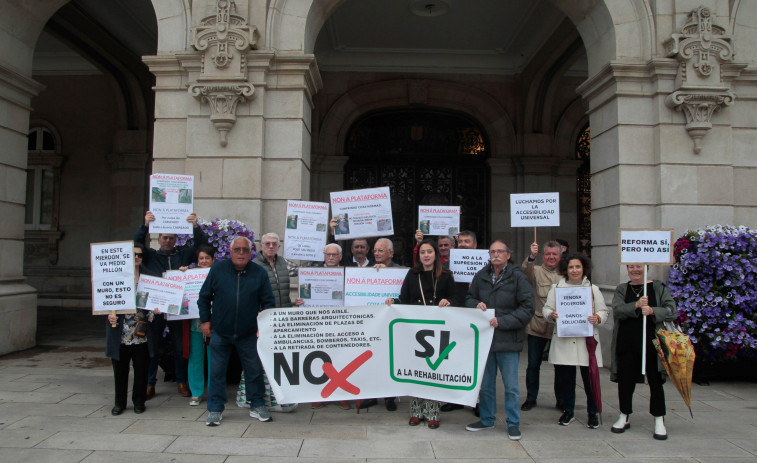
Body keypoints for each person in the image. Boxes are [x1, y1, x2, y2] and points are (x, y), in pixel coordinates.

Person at [198, 236, 276, 426]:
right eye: (237, 249)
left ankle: (257, 405)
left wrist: (263, 327)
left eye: (245, 250)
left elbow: (268, 302)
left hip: (249, 333)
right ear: (230, 251)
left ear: (251, 253)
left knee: (254, 371)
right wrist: (205, 320)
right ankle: (215, 410)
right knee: (216, 372)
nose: (241, 253)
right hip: (221, 332)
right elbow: (204, 296)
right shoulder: (218, 269)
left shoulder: (259, 273)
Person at [134, 210, 208, 399]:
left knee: (179, 347)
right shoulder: (150, 256)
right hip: (155, 310)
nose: (167, 241)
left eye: (171, 238)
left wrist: (195, 226)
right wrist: (145, 225)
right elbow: (137, 245)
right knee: (153, 347)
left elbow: (202, 246)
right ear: (158, 240)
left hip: (178, 310)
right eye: (164, 238)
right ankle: (150, 384)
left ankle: (181, 381)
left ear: (176, 240)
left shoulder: (182, 256)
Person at [465, 241, 534, 441]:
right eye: (493, 251)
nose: (496, 254)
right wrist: (475, 304)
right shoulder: (481, 275)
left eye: (500, 251)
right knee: (485, 384)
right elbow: (468, 298)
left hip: (508, 339)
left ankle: (513, 423)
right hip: (485, 339)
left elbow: (527, 308)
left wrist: (502, 321)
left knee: (511, 386)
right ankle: (487, 419)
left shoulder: (518, 277)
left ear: (508, 255)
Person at [386, 240, 456, 429]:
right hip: (415, 330)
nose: (426, 255)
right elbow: (405, 298)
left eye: (430, 252)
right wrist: (394, 302)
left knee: (434, 370)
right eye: (423, 252)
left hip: (437, 330)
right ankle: (416, 411)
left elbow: (455, 298)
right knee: (417, 370)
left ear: (436, 255)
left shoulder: (447, 276)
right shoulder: (412, 274)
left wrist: (448, 302)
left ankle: (433, 412)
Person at [611, 264, 676, 440]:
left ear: (646, 267)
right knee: (625, 381)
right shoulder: (622, 289)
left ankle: (659, 418)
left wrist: (654, 310)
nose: (635, 270)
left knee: (655, 381)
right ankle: (624, 415)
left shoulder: (658, 287)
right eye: (631, 267)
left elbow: (671, 310)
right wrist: (636, 305)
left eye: (638, 266)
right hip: (627, 342)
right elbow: (617, 310)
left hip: (652, 343)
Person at [542, 252, 608, 428]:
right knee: (566, 379)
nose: (574, 270)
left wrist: (598, 318)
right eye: (571, 267)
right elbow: (546, 309)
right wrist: (552, 315)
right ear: (566, 269)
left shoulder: (593, 289)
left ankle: (592, 411)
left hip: (586, 342)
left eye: (578, 266)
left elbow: (604, 311)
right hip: (565, 340)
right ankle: (568, 410)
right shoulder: (557, 288)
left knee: (590, 379)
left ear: (583, 268)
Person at [106, 243, 154, 415]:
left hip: (140, 332)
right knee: (120, 370)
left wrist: (155, 310)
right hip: (120, 331)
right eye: (133, 254)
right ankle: (119, 403)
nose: (136, 258)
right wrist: (109, 315)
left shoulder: (147, 277)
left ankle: (139, 401)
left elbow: (153, 303)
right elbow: (106, 300)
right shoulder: (116, 276)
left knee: (141, 369)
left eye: (139, 255)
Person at [309, 242, 352, 411]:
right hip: (320, 322)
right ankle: (320, 394)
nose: (332, 258)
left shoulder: (349, 273)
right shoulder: (312, 273)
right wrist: (302, 301)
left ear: (341, 257)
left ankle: (341, 395)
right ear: (324, 256)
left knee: (341, 358)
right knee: (320, 359)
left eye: (335, 255)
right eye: (329, 255)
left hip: (342, 321)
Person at [520, 241, 562, 411]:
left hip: (560, 328)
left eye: (555, 254)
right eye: (548, 254)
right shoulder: (536, 271)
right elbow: (525, 271)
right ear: (543, 256)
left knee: (561, 366)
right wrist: (531, 256)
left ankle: (561, 399)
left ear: (560, 256)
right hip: (538, 325)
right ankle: (531, 397)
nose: (551, 257)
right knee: (533, 365)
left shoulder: (566, 273)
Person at [441, 229, 479, 414]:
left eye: (467, 241)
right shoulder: (448, 264)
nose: (463, 244)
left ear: (475, 245)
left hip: (475, 317)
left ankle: (477, 400)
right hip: (455, 316)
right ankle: (455, 398)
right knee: (454, 359)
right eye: (461, 241)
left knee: (476, 361)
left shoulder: (484, 264)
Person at [177, 244, 216, 406]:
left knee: (214, 359)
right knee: (195, 358)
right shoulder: (190, 274)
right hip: (194, 323)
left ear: (213, 260)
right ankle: (197, 392)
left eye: (207, 258)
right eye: (201, 258)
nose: (204, 261)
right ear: (197, 260)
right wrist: (179, 275)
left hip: (214, 324)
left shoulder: (219, 274)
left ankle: (214, 391)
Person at [254, 232, 303, 308]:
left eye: (274, 244)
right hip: (265, 313)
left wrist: (322, 258)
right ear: (261, 246)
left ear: (278, 247)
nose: (271, 246)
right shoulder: (254, 265)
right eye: (267, 244)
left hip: (284, 313)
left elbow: (302, 271)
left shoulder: (283, 262)